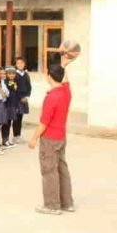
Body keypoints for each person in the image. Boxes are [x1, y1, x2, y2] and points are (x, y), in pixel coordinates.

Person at [29, 56, 75, 215]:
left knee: (49, 171)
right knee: (62, 169)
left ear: (49, 76)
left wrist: (34, 138)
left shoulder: (52, 97)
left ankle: (52, 205)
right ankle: (67, 203)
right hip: (61, 137)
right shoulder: (65, 93)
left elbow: (44, 123)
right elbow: (66, 81)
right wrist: (63, 66)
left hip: (49, 138)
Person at [14, 56, 32, 143]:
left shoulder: (26, 74)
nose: (20, 65)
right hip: (17, 100)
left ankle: (19, 135)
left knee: (20, 118)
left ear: (24, 64)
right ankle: (15, 136)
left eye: (22, 63)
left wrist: (27, 96)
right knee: (16, 118)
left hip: (24, 99)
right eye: (18, 63)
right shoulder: (14, 75)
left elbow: (29, 87)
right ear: (16, 65)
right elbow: (14, 88)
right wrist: (20, 97)